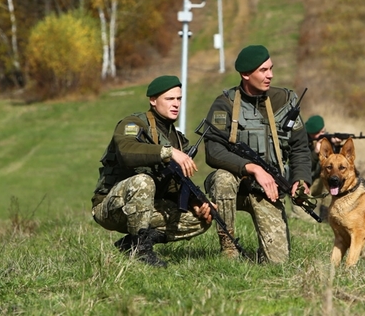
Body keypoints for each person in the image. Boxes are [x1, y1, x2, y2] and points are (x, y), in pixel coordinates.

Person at [203, 45, 312, 263]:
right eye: (263, 70)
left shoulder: (284, 101)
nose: (270, 75)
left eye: (271, 68)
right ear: (246, 74)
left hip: (267, 191)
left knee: (277, 262)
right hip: (235, 187)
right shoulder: (225, 104)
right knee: (223, 178)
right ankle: (229, 248)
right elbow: (213, 151)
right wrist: (252, 168)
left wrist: (301, 180)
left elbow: (300, 147)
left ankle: (261, 253)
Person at [91, 75, 214, 268]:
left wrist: (197, 203)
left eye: (179, 99)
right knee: (143, 181)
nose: (176, 104)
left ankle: (131, 244)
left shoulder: (178, 140)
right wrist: (167, 152)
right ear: (153, 100)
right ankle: (142, 251)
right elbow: (126, 151)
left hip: (147, 207)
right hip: (113, 206)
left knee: (199, 220)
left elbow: (175, 185)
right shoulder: (133, 124)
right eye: (169, 99)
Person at [304, 114, 339, 220]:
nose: (322, 134)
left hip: (318, 181)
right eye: (318, 133)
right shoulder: (302, 141)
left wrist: (335, 146)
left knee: (331, 180)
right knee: (304, 218)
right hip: (303, 183)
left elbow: (335, 164)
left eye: (323, 131)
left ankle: (326, 215)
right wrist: (315, 152)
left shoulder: (326, 140)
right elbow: (304, 166)